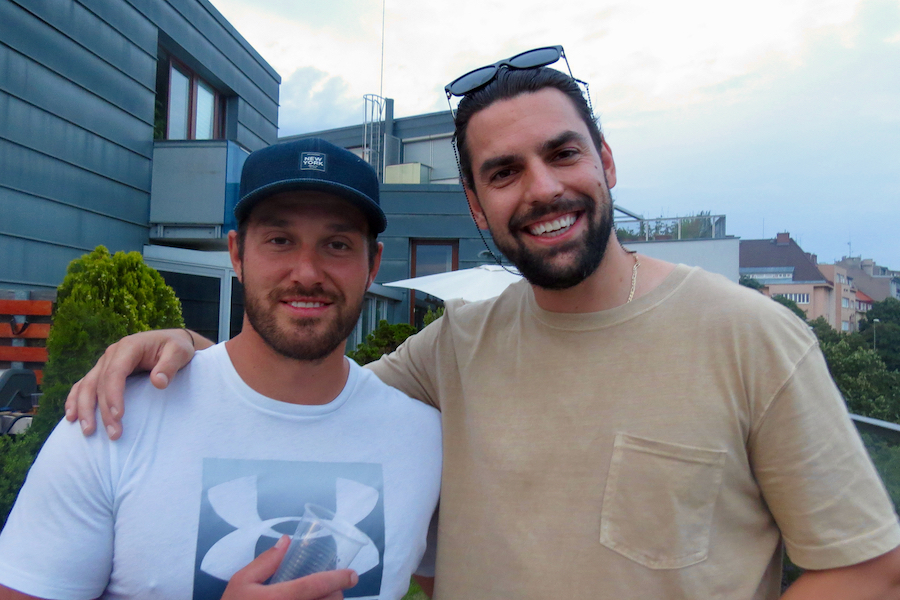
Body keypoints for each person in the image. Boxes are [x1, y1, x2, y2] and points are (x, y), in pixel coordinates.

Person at [66, 48, 900, 599]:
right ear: (475, 205)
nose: (540, 189)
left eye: (562, 154)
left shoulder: (749, 336)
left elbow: (865, 564)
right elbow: (301, 392)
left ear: (605, 163)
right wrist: (185, 349)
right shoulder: (458, 346)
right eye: (504, 172)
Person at [0, 138, 442, 600]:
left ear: (372, 264)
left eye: (337, 244)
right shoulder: (115, 419)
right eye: (279, 240)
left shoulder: (424, 440)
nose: (307, 271)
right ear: (237, 254)